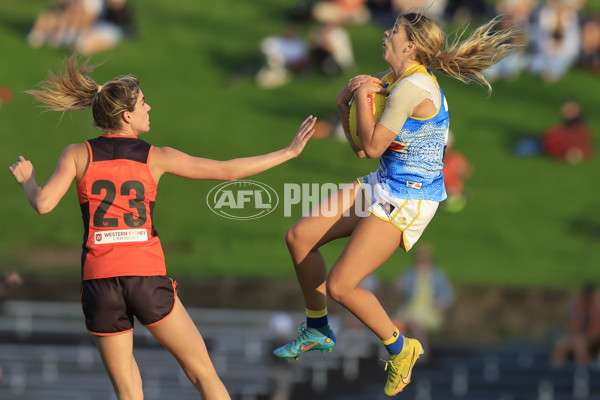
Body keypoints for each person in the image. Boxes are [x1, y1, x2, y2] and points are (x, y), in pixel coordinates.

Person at [8, 55, 316, 400]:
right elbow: (228, 171)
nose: (148, 107)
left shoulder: (78, 153)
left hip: (99, 283)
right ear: (127, 116)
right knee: (203, 374)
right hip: (145, 277)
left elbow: (43, 203)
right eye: (142, 103)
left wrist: (28, 181)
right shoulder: (156, 156)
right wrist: (288, 153)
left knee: (128, 390)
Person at [272, 12, 518, 396]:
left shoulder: (411, 88)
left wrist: (359, 97)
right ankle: (317, 329)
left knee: (342, 285)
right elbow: (360, 149)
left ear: (410, 44)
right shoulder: (393, 81)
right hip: (384, 183)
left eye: (394, 31)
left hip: (409, 197)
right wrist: (344, 105)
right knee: (300, 237)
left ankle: (402, 349)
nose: (385, 34)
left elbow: (371, 147)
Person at [392, 244, 453, 360]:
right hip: (410, 308)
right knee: (394, 324)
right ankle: (401, 354)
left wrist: (440, 303)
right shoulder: (410, 274)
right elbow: (399, 287)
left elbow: (448, 295)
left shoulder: (438, 275)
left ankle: (421, 353)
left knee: (414, 322)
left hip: (429, 310)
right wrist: (398, 285)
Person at [551, 284, 600, 367]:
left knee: (579, 345)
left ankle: (583, 374)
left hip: (592, 340)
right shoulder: (579, 307)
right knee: (561, 345)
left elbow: (595, 332)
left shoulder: (596, 308)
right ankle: (555, 374)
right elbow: (573, 327)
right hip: (577, 338)